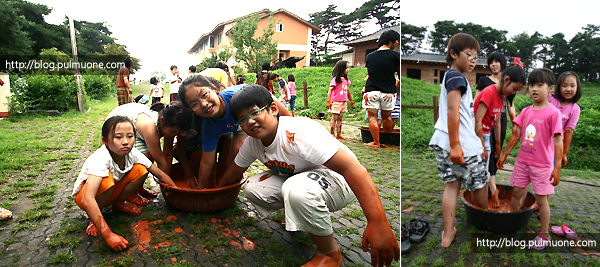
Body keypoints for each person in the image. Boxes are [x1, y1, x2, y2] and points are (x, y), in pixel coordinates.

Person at [218, 85, 399, 267]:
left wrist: (378, 222)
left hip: (340, 180)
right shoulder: (253, 142)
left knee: (296, 189)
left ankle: (330, 254)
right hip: (303, 180)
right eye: (242, 119)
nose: (249, 122)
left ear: (273, 109)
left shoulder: (297, 132)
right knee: (253, 187)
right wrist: (216, 193)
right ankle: (298, 214)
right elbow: (234, 171)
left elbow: (353, 169)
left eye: (255, 113)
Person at [71, 116, 176, 252]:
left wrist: (176, 189)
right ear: (105, 141)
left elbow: (159, 173)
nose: (125, 142)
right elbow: (87, 198)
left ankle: (119, 204)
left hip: (111, 191)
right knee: (106, 180)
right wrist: (108, 235)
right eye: (118, 137)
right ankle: (95, 217)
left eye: (130, 136)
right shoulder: (100, 159)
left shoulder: (132, 152)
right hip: (86, 199)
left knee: (141, 169)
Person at [429, 33, 488, 248]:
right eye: (469, 55)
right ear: (453, 54)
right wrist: (456, 145)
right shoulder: (457, 78)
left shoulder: (449, 76)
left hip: (443, 141)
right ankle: (485, 218)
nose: (474, 60)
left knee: (452, 186)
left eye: (476, 57)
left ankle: (447, 234)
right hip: (460, 145)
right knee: (479, 184)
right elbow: (453, 111)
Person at [178, 75, 291, 189]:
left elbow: (280, 110)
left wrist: (293, 127)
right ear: (192, 111)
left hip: (255, 116)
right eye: (195, 104)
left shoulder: (235, 96)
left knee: (237, 149)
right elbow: (207, 161)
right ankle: (228, 189)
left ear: (214, 89)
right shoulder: (208, 127)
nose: (204, 104)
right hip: (240, 126)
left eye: (204, 95)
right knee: (231, 165)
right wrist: (200, 189)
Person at [496, 68, 562, 250]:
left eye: (540, 85)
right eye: (531, 84)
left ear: (550, 88)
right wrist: (504, 154)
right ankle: (513, 221)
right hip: (522, 162)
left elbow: (558, 140)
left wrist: (557, 168)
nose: (534, 88)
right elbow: (516, 135)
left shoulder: (553, 113)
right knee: (516, 193)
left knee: (542, 201)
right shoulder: (525, 111)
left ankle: (544, 233)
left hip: (542, 165)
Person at [106, 102, 192, 199]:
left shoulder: (169, 123)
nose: (173, 135)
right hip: (117, 130)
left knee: (147, 159)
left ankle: (138, 188)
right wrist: (167, 183)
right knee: (145, 159)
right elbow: (160, 159)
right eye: (173, 132)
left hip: (135, 130)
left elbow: (167, 154)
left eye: (177, 133)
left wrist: (166, 179)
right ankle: (129, 194)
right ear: (162, 120)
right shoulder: (149, 125)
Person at [473, 66, 525, 208]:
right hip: (476, 136)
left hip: (486, 134)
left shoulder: (501, 96)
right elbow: (477, 121)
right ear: (506, 80)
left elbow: (496, 122)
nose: (513, 93)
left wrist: (497, 143)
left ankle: (487, 195)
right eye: (514, 89)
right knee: (478, 169)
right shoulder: (489, 92)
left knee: (484, 167)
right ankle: (481, 202)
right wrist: (482, 146)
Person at [363, 30, 400, 148]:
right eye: (396, 41)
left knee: (372, 117)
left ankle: (376, 142)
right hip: (388, 92)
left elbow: (370, 73)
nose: (397, 43)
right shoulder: (396, 56)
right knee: (387, 117)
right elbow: (399, 74)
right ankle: (386, 139)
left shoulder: (369, 56)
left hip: (371, 91)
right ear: (390, 41)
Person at [326, 60, 354, 139]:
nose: (348, 69)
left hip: (344, 102)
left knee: (340, 118)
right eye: (346, 68)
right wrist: (328, 102)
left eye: (348, 68)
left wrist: (350, 100)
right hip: (336, 102)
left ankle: (339, 133)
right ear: (341, 69)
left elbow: (347, 91)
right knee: (334, 118)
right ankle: (332, 133)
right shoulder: (335, 80)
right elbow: (330, 90)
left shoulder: (346, 80)